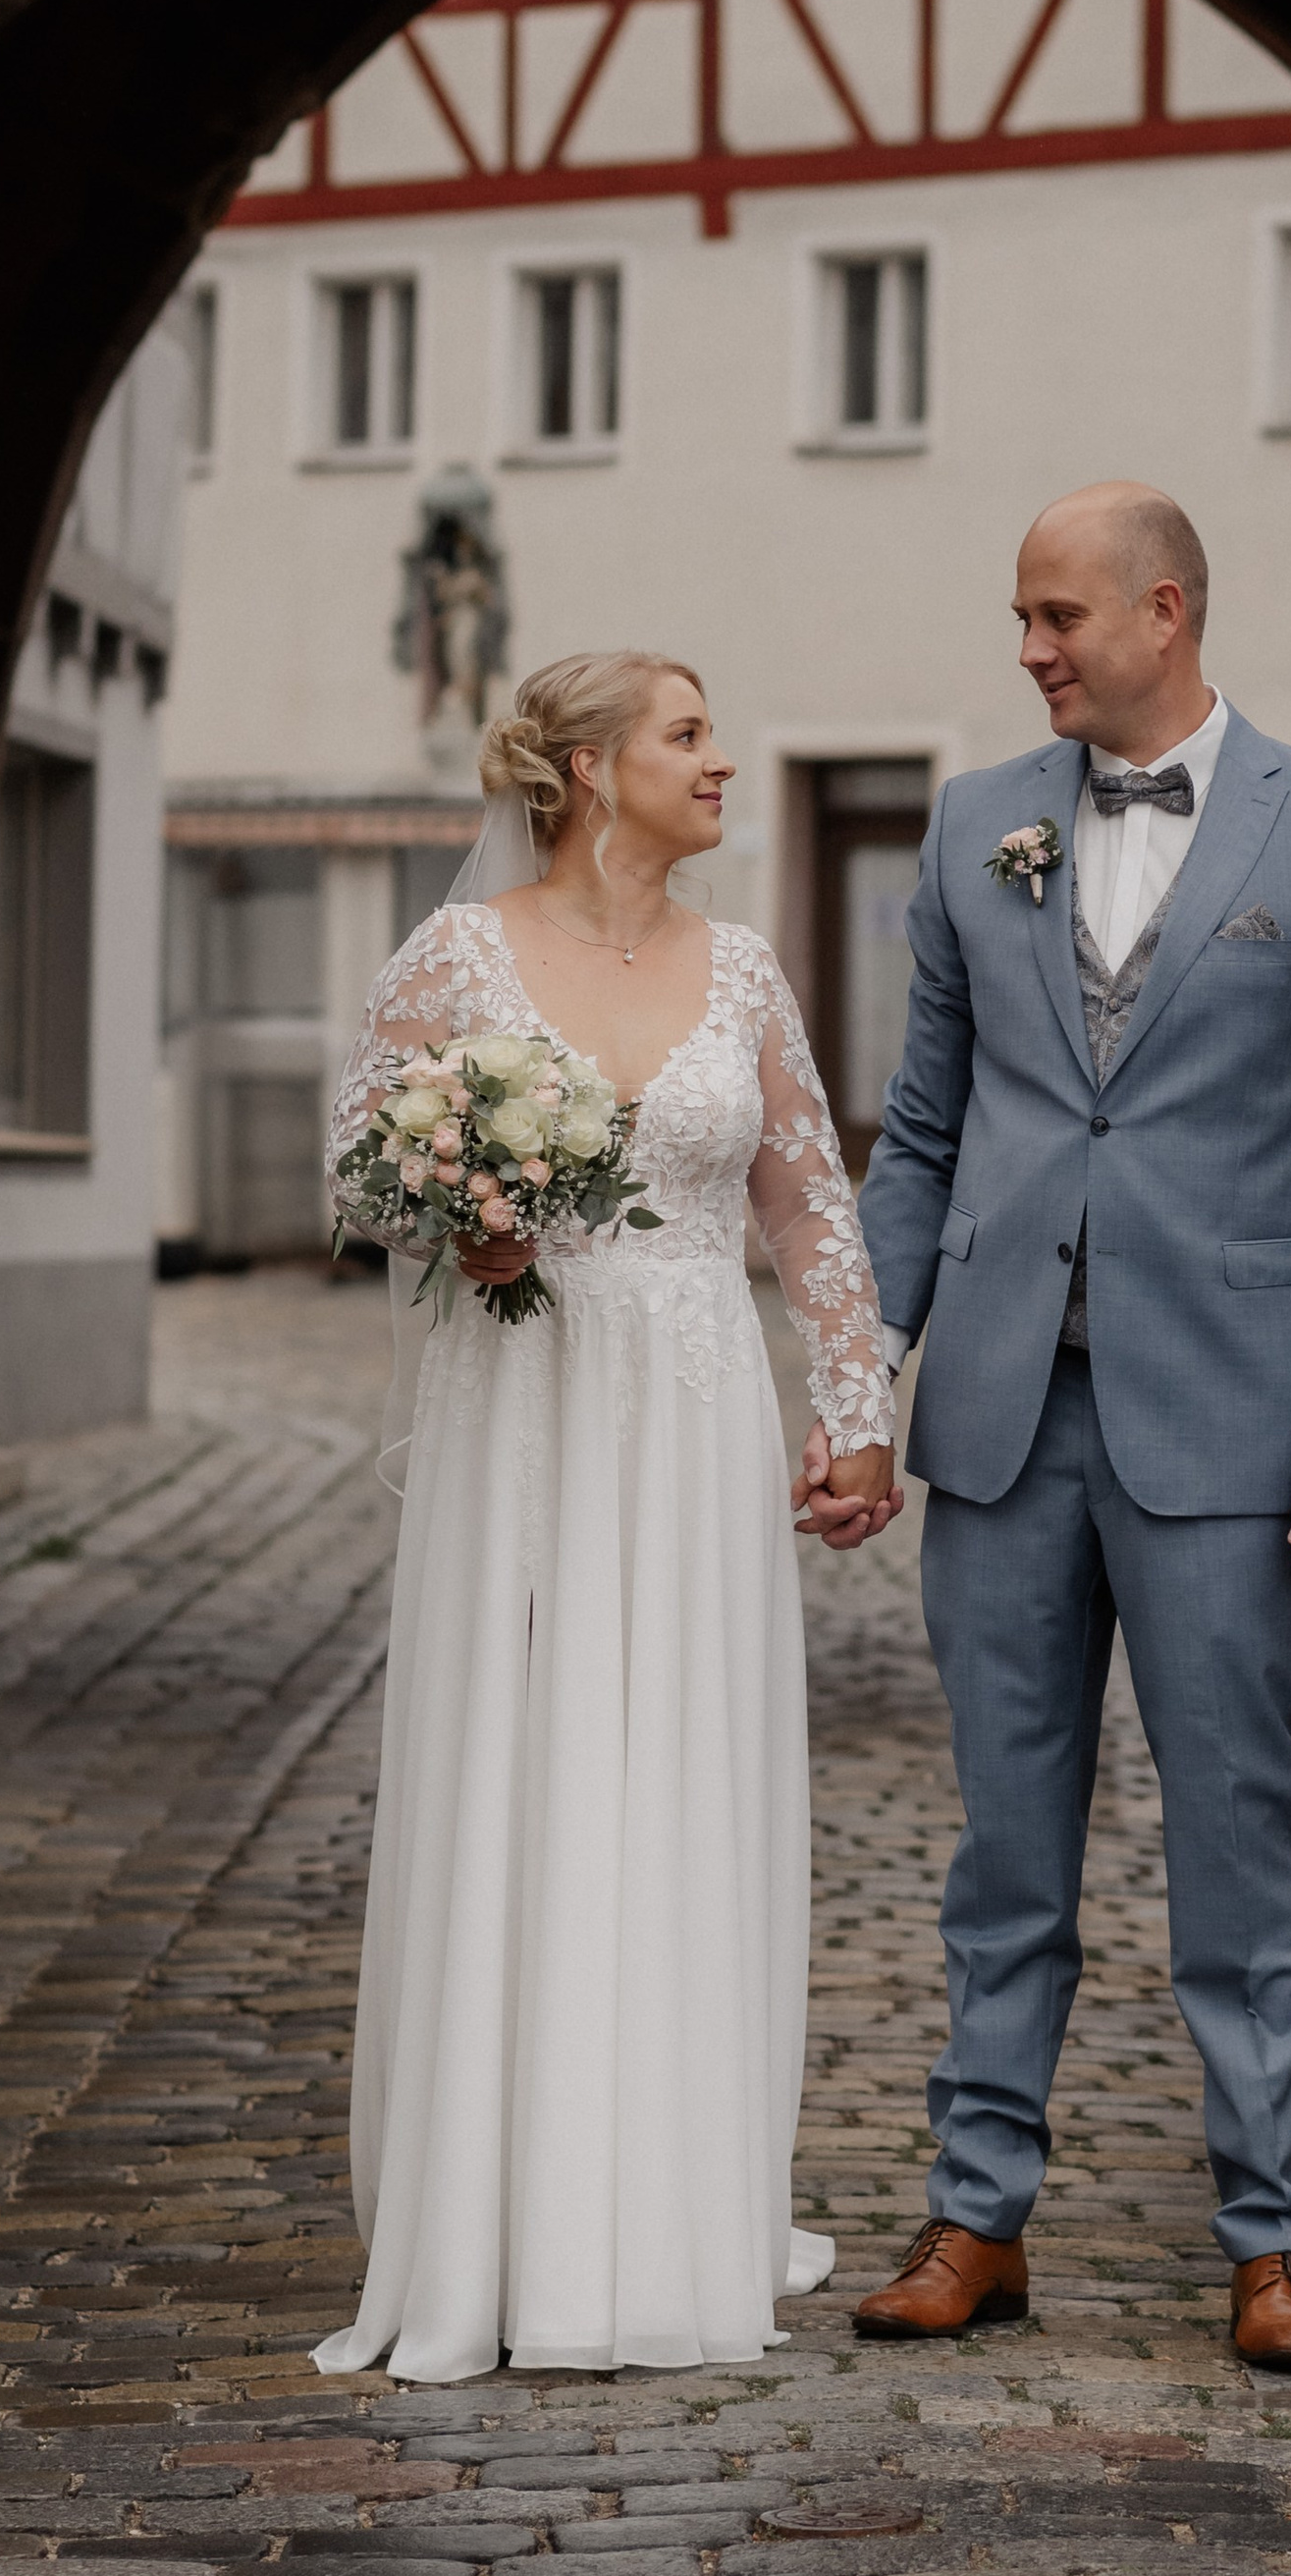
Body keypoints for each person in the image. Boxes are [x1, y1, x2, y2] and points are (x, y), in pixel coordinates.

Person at [820, 483, 1291, 2372]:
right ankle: (976, 2218)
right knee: (1004, 1849)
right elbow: (923, 1132)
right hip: (1003, 1419)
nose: (1032, 649)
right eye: (1022, 618)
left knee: (1235, 1844)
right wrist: (863, 1383)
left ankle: (1274, 2245)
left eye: (1060, 616)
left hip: (1229, 1421)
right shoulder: (974, 823)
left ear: (1165, 611)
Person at [314, 651, 899, 2384]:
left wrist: (858, 1411)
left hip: (698, 1409)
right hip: (527, 1405)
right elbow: (359, 1167)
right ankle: (504, 2212)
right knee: (528, 1755)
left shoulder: (746, 968)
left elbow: (809, 1206)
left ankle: (671, 2204)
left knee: (682, 1763)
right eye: (688, 735)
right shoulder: (459, 956)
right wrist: (461, 1211)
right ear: (585, 768)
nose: (722, 761)